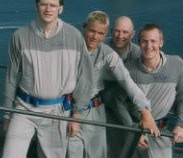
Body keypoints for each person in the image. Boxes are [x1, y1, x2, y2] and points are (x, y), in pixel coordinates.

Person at [2, 0, 94, 157]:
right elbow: (11, 78)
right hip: (23, 110)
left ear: (61, 8)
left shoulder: (74, 37)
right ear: (37, 5)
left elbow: (85, 77)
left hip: (57, 112)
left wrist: (77, 114)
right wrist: (7, 115)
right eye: (44, 4)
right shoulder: (19, 37)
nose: (48, 9)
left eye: (53, 5)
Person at [67, 11, 159, 158]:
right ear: (84, 27)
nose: (95, 37)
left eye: (100, 33)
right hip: (67, 109)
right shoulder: (70, 48)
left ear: (104, 34)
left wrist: (145, 111)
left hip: (95, 110)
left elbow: (127, 81)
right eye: (92, 31)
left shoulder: (108, 54)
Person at [119, 23, 183, 157]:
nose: (149, 46)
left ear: (161, 43)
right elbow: (118, 101)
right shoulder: (129, 69)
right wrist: (130, 128)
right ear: (139, 43)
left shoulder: (176, 65)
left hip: (162, 134)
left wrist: (180, 124)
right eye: (144, 42)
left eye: (153, 41)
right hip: (136, 134)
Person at [104, 16, 141, 156]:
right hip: (106, 111)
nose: (120, 36)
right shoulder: (103, 48)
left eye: (125, 32)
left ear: (133, 34)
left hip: (128, 112)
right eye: (117, 31)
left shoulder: (138, 55)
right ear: (111, 31)